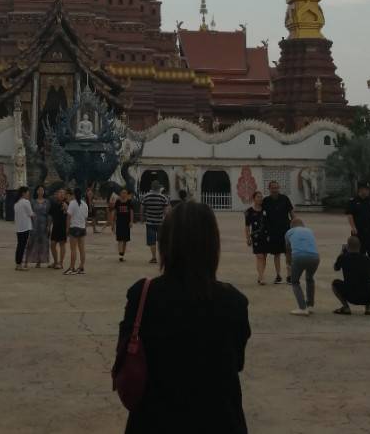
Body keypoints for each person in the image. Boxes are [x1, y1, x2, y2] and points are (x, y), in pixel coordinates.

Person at [115, 201, 251, 433]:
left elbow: (124, 354)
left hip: (154, 419)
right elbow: (237, 362)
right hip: (218, 418)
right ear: (212, 245)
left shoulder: (143, 295)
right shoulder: (233, 301)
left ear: (165, 243)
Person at [332, 236, 370, 315]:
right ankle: (368, 308)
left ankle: (346, 307)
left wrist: (342, 253)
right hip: (367, 296)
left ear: (347, 246)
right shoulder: (367, 259)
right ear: (360, 246)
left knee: (335, 283)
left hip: (351, 295)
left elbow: (336, 268)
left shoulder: (343, 257)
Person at [285, 217, 320, 315]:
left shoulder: (289, 232)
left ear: (291, 226)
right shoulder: (309, 231)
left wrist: (288, 263)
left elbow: (288, 250)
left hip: (299, 257)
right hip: (315, 257)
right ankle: (310, 305)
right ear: (303, 225)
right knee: (310, 279)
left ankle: (302, 307)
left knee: (295, 282)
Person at [261, 180, 293, 283]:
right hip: (273, 231)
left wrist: (295, 226)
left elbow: (292, 213)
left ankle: (289, 275)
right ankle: (278, 275)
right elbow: (261, 214)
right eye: (272, 188)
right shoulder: (266, 201)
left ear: (279, 188)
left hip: (286, 230)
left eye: (276, 188)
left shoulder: (285, 199)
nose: (274, 190)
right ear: (269, 189)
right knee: (276, 254)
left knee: (288, 253)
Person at [345, 181, 370, 272]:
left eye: (368, 190)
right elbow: (350, 215)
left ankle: (369, 270)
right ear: (360, 190)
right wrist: (353, 227)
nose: (368, 191)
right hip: (358, 231)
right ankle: (355, 269)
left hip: (369, 231)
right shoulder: (353, 201)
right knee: (357, 251)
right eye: (366, 189)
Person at [140, 181, 171, 266]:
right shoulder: (163, 197)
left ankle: (154, 257)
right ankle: (161, 257)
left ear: (151, 187)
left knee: (152, 241)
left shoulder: (146, 196)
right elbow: (166, 211)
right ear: (158, 188)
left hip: (150, 222)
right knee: (161, 241)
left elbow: (142, 208)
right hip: (160, 222)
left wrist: (142, 217)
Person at [243, 191, 269, 284]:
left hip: (265, 236)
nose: (260, 199)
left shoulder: (265, 210)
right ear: (254, 199)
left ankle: (260, 275)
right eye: (258, 197)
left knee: (264, 256)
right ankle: (262, 278)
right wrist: (248, 238)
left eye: (261, 197)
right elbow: (247, 226)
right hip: (255, 236)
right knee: (260, 256)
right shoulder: (249, 211)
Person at [27, 185, 51, 268]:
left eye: (42, 190)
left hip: (44, 224)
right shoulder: (33, 202)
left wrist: (48, 226)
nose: (41, 191)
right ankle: (29, 260)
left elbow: (49, 215)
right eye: (39, 190)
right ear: (36, 191)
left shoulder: (47, 202)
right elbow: (30, 214)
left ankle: (40, 261)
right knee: (33, 242)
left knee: (43, 243)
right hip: (34, 224)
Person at [66, 187, 89, 274]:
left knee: (73, 249)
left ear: (74, 194)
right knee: (82, 249)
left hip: (74, 228)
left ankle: (72, 267)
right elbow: (86, 219)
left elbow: (68, 217)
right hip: (82, 228)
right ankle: (81, 266)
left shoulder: (72, 203)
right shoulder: (85, 204)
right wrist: (85, 228)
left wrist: (67, 229)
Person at [14, 185, 33, 271]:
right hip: (25, 227)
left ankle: (18, 263)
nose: (28, 194)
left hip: (19, 227)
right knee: (22, 246)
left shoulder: (16, 203)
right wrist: (35, 214)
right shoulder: (26, 202)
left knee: (19, 245)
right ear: (23, 193)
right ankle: (19, 264)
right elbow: (30, 213)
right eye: (27, 192)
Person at [49, 188, 68, 269]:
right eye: (60, 193)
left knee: (62, 244)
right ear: (57, 195)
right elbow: (50, 216)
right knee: (52, 244)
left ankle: (61, 263)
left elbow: (69, 216)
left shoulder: (66, 204)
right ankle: (55, 262)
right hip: (55, 227)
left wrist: (66, 208)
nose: (61, 195)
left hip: (63, 227)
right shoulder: (53, 204)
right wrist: (48, 226)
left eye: (63, 193)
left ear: (65, 196)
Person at [112, 187, 133, 261]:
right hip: (119, 222)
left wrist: (131, 221)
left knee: (125, 240)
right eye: (122, 193)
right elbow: (115, 212)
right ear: (120, 194)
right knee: (120, 239)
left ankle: (122, 253)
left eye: (125, 193)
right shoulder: (117, 202)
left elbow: (131, 212)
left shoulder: (129, 202)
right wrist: (113, 223)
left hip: (126, 223)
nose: (124, 194)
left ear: (127, 194)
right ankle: (120, 254)